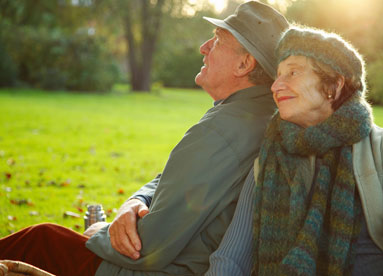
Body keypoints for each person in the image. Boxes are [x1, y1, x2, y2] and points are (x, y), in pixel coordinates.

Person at [0, 2, 289, 275]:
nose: (204, 47)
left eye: (217, 39)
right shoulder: (255, 115)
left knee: (41, 239)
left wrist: (102, 229)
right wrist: (136, 200)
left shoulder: (224, 129)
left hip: (161, 269)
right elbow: (173, 177)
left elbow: (150, 245)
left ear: (244, 64)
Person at [206, 26, 383, 276]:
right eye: (277, 75)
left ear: (333, 86)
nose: (275, 86)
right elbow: (231, 258)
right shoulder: (269, 159)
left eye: (292, 72)